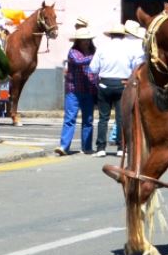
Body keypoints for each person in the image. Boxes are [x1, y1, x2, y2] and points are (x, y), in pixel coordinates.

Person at [90, 20, 142, 156]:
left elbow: (93, 68)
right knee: (121, 118)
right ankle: (121, 148)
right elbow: (137, 65)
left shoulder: (102, 48)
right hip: (122, 84)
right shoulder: (129, 49)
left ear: (111, 35)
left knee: (103, 118)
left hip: (104, 83)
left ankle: (101, 148)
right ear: (123, 35)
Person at [58, 19, 99, 156]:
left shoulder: (94, 51)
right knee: (70, 119)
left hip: (89, 89)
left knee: (88, 120)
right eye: (83, 40)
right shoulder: (73, 52)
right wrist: (96, 57)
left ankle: (87, 147)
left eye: (87, 39)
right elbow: (78, 61)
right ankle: (64, 146)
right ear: (78, 41)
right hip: (73, 90)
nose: (86, 42)